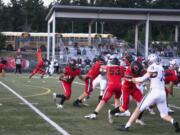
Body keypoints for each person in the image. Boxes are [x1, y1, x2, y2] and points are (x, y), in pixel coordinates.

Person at [118, 54, 179, 132]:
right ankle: (173, 121)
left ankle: (126, 126)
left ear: (151, 61)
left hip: (154, 92)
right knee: (164, 115)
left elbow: (142, 79)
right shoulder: (161, 68)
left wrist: (131, 79)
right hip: (162, 93)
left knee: (138, 109)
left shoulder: (152, 67)